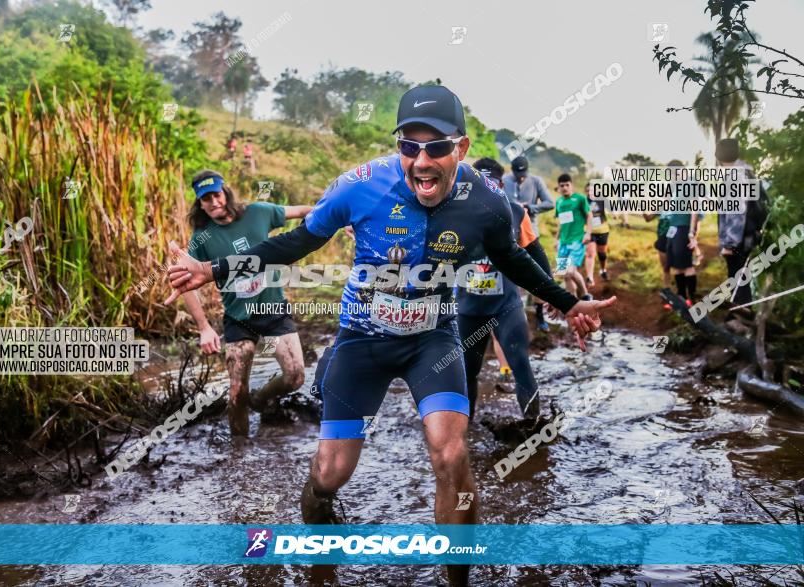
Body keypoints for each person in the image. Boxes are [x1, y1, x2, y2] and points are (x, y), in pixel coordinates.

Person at [165, 86, 614, 586]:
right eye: (409, 146)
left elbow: (510, 257)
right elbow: (296, 243)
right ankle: (320, 534)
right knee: (331, 473)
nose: (421, 162)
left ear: (461, 149)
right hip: (362, 342)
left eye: (437, 147)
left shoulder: (486, 202)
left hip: (433, 340)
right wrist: (214, 268)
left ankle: (458, 579)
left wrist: (570, 302)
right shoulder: (360, 186)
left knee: (451, 452)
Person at [177, 170, 312, 437]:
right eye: (206, 199)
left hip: (273, 310)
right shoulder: (202, 238)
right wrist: (204, 327)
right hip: (239, 319)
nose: (213, 202)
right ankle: (239, 455)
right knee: (237, 391)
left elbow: (306, 210)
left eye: (216, 195)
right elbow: (184, 283)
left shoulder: (258, 213)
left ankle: (260, 401)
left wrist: (343, 220)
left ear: (225, 192)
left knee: (296, 376)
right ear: (200, 204)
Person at [457, 157, 550, 420]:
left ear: (502, 184)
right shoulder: (452, 212)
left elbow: (537, 256)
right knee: (466, 372)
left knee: (520, 365)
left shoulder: (517, 212)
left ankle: (533, 433)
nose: (486, 189)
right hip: (467, 309)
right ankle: (464, 433)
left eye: (492, 184)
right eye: (479, 183)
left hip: (506, 306)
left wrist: (549, 293)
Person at [502, 155, 554, 331]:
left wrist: (531, 207)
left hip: (531, 234)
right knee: (510, 278)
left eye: (523, 173)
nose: (521, 177)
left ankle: (540, 316)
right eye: (517, 173)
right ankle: (512, 318)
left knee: (540, 275)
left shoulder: (536, 181)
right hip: (508, 235)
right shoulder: (504, 180)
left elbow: (549, 203)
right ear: (512, 170)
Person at [715, 138, 754, 306]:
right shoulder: (745, 171)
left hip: (738, 238)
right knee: (741, 276)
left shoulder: (735, 176)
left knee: (738, 277)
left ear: (718, 156)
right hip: (747, 234)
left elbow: (736, 211)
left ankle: (740, 319)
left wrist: (729, 244)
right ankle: (739, 313)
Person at [662, 160, 702, 306]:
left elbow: (694, 209)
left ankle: (692, 298)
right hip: (673, 229)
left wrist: (691, 232)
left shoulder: (690, 184)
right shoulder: (674, 186)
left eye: (673, 173)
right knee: (676, 265)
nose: (672, 176)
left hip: (684, 228)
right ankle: (681, 296)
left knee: (686, 265)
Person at [554, 174, 592, 300]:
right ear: (558, 187)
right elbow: (560, 222)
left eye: (567, 185)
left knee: (570, 271)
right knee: (565, 275)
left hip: (576, 241)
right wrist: (556, 240)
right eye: (562, 185)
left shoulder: (580, 199)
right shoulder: (559, 202)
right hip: (563, 243)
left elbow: (589, 215)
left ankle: (586, 295)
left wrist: (588, 233)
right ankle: (573, 303)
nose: (564, 188)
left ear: (572, 185)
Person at [583, 181, 611, 285]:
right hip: (588, 231)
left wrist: (615, 214)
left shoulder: (603, 199)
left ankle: (603, 270)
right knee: (590, 253)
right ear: (586, 191)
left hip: (603, 230)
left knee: (602, 254)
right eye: (589, 190)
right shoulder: (583, 201)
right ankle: (589, 277)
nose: (591, 192)